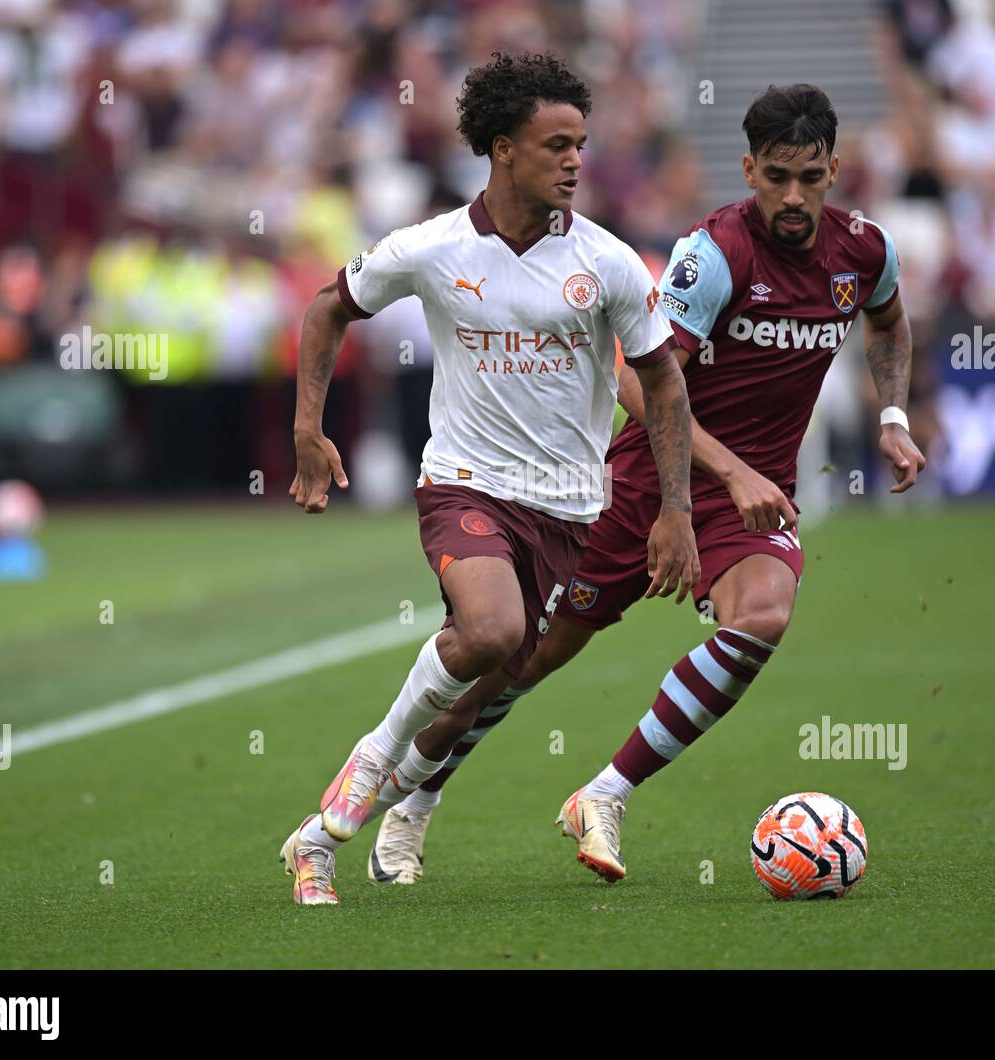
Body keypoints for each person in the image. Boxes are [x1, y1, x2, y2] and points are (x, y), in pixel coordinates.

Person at [364, 83, 926, 885]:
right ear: (748, 169)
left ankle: (605, 792)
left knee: (762, 615)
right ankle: (411, 805)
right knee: (521, 660)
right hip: (642, 487)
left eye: (810, 176)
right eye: (776, 177)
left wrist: (894, 415)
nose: (793, 196)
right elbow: (640, 384)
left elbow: (890, 320)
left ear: (835, 169)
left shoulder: (866, 250)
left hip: (749, 498)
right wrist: (711, 484)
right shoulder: (714, 254)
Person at [278, 52, 699, 905]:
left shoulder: (610, 262)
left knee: (490, 683)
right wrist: (307, 429)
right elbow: (328, 310)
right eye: (556, 145)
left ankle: (334, 835)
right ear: (503, 149)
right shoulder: (431, 247)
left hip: (570, 507)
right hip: (465, 484)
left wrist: (677, 512)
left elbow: (660, 381)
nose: (575, 161)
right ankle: (370, 764)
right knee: (493, 628)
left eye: (581, 143)